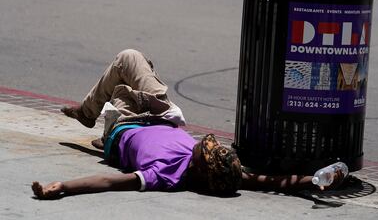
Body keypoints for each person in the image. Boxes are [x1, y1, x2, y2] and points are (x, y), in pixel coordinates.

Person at [31, 49, 345, 199]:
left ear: (198, 168)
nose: (206, 145)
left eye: (204, 150)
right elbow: (270, 183)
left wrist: (62, 188)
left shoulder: (164, 175)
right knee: (137, 63)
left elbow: (108, 182)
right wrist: (316, 179)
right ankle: (93, 117)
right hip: (161, 113)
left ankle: (96, 121)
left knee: (126, 69)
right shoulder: (225, 171)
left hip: (126, 123)